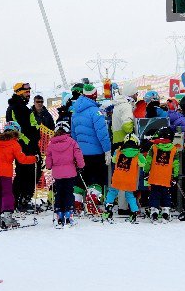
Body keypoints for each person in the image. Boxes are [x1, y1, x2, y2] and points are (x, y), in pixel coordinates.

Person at [0, 121, 37, 228]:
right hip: (5, 172)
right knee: (7, 193)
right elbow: (22, 160)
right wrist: (34, 158)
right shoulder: (14, 143)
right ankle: (7, 217)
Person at [71, 84, 112, 214]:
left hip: (81, 153)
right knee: (96, 178)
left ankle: (77, 203)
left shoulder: (75, 112)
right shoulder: (96, 112)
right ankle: (92, 202)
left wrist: (76, 151)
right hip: (96, 153)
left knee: (81, 178)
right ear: (94, 95)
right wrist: (107, 150)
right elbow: (102, 134)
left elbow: (73, 134)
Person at [6, 82, 40, 211]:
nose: (28, 93)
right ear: (19, 92)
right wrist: (29, 142)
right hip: (25, 146)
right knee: (26, 173)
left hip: (27, 144)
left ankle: (21, 199)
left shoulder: (22, 107)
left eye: (29, 91)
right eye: (26, 91)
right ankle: (20, 200)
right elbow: (20, 129)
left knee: (27, 173)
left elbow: (31, 125)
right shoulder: (17, 107)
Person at [45, 120, 85, 227]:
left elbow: (48, 160)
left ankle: (59, 213)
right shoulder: (72, 142)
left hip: (57, 174)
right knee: (68, 193)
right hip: (70, 173)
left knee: (59, 193)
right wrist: (81, 166)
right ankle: (69, 213)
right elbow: (78, 155)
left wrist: (49, 166)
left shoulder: (51, 144)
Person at [103, 133, 146, 223]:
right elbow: (143, 164)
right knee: (130, 196)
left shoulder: (118, 151)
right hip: (130, 180)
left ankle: (108, 208)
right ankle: (134, 212)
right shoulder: (138, 154)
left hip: (117, 178)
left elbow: (114, 160)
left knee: (112, 192)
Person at [143, 127, 180, 222]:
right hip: (166, 178)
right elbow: (176, 164)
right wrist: (175, 175)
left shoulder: (154, 147)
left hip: (154, 177)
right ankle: (166, 211)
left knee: (154, 194)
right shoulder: (174, 149)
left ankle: (154, 211)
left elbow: (148, 161)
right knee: (166, 195)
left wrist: (146, 171)